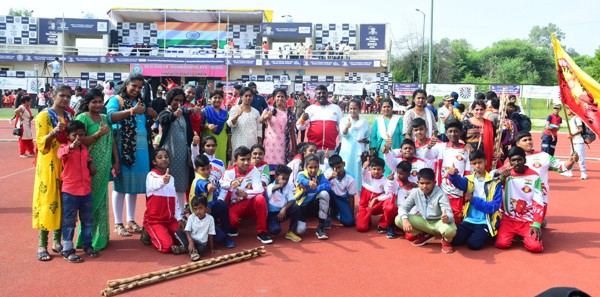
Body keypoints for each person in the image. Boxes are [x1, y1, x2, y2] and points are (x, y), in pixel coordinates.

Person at [107, 75, 152, 237]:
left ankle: (131, 220)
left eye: (140, 87)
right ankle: (118, 223)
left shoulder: (140, 102)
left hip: (141, 150)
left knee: (134, 187)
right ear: (126, 84)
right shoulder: (116, 100)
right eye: (134, 86)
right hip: (122, 149)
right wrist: (131, 111)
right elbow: (109, 117)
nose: (137, 90)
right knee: (121, 185)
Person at [33, 84, 72, 261]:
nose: (65, 99)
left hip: (66, 164)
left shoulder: (69, 116)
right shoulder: (44, 116)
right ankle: (42, 244)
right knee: (48, 201)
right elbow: (41, 144)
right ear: (53, 96)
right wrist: (54, 132)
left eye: (68, 96)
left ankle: (57, 242)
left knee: (63, 202)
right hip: (49, 163)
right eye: (62, 95)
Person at [74, 88, 115, 251]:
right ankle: (86, 239)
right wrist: (98, 134)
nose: (97, 105)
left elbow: (111, 141)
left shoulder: (105, 118)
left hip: (104, 166)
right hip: (88, 167)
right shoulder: (82, 118)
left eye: (100, 101)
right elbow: (78, 141)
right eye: (94, 102)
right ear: (87, 103)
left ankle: (101, 237)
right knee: (89, 203)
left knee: (102, 201)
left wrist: (116, 162)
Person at [514, 131, 577, 227]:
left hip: (539, 199)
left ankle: (539, 218)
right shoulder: (513, 159)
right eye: (525, 140)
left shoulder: (544, 156)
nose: (528, 142)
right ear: (518, 144)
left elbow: (563, 167)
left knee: (532, 228)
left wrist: (571, 160)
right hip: (520, 199)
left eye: (530, 139)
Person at [58, 120, 98, 262]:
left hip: (86, 190)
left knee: (87, 220)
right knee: (69, 222)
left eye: (81, 135)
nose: (78, 138)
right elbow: (61, 155)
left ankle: (88, 246)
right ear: (68, 136)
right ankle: (67, 249)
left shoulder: (84, 149)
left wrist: (91, 163)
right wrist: (71, 147)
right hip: (70, 191)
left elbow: (88, 159)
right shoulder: (64, 147)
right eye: (74, 135)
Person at [447, 150, 502, 250]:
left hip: (485, 221)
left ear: (485, 162)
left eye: (480, 162)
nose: (477, 166)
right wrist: (452, 175)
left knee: (473, 245)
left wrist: (473, 200)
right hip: (469, 220)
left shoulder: (495, 182)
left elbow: (493, 206)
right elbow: (459, 183)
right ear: (471, 165)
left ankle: (486, 234)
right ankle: (474, 234)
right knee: (455, 241)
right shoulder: (468, 179)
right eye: (474, 163)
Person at [495, 147, 544, 253]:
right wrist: (500, 177)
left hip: (528, 220)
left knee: (535, 248)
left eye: (519, 159)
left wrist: (536, 223)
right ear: (509, 161)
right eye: (513, 160)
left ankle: (526, 234)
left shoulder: (534, 176)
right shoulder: (506, 174)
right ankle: (516, 234)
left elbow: (538, 201)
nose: (517, 163)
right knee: (501, 244)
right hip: (509, 219)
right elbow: (490, 180)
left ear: (525, 160)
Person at [396, 168, 457, 253]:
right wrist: (405, 220)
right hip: (424, 222)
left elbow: (449, 213)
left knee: (450, 230)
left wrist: (447, 218)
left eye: (428, 183)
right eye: (422, 183)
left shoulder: (441, 194)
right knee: (399, 219)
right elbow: (403, 207)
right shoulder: (415, 192)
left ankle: (446, 241)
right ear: (418, 183)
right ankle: (425, 235)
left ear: (434, 183)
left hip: (439, 222)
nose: (424, 186)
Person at [220, 146, 272, 244]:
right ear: (235, 161)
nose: (246, 163)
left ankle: (262, 232)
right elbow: (222, 183)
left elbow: (259, 189)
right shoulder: (229, 171)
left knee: (260, 198)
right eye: (243, 159)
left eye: (248, 159)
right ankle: (233, 226)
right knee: (232, 222)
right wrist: (231, 184)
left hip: (249, 202)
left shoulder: (253, 170)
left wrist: (245, 194)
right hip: (234, 204)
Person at [422, 120, 471, 223]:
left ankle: (453, 236)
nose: (453, 134)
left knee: (456, 215)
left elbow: (468, 172)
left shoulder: (466, 151)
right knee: (441, 213)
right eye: (450, 131)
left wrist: (467, 190)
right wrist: (429, 146)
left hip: (457, 190)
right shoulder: (441, 147)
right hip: (442, 188)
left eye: (456, 131)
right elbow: (427, 155)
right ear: (446, 133)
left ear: (461, 132)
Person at [142, 149, 187, 254]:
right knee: (167, 246)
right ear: (154, 162)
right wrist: (163, 180)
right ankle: (149, 232)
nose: (164, 159)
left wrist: (179, 218)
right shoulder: (151, 176)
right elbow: (155, 184)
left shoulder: (171, 178)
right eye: (160, 157)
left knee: (184, 240)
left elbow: (175, 200)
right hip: (155, 220)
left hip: (170, 220)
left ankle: (165, 233)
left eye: (166, 157)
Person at [158, 88, 193, 216]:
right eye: (175, 100)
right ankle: (168, 212)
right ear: (170, 100)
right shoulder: (165, 113)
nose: (178, 103)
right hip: (169, 154)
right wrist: (174, 115)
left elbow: (188, 134)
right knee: (168, 183)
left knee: (182, 183)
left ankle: (180, 213)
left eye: (181, 100)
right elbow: (164, 121)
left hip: (183, 154)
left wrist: (191, 152)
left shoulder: (185, 115)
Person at [189, 154, 235, 249]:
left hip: (207, 209)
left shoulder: (209, 178)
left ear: (210, 167)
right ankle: (222, 237)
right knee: (218, 237)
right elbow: (203, 185)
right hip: (198, 214)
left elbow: (213, 198)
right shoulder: (199, 180)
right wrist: (208, 187)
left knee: (222, 205)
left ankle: (225, 233)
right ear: (196, 170)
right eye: (203, 169)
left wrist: (209, 206)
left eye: (207, 168)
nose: (206, 172)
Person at [355, 158, 397, 238]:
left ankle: (383, 224)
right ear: (370, 169)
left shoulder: (385, 180)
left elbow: (389, 194)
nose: (376, 171)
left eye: (379, 169)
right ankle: (365, 218)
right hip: (365, 207)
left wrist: (376, 199)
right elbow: (364, 173)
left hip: (377, 205)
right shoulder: (367, 176)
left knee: (390, 204)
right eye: (374, 169)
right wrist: (364, 168)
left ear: (383, 171)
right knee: (361, 228)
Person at [296, 85, 342, 154]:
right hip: (313, 150)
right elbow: (300, 127)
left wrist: (341, 142)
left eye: (324, 93)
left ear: (327, 94)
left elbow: (341, 127)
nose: (321, 95)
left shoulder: (336, 108)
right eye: (319, 93)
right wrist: (302, 119)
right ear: (315, 95)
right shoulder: (310, 109)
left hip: (330, 149)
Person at [295, 154, 331, 239]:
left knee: (324, 194)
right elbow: (301, 180)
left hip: (314, 204)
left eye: (315, 167)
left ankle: (321, 227)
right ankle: (302, 221)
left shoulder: (320, 174)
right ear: (306, 167)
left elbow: (328, 186)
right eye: (310, 167)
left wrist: (316, 188)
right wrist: (309, 183)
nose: (313, 170)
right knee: (300, 230)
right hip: (302, 206)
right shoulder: (301, 174)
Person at [338, 99, 370, 192]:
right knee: (346, 172)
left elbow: (368, 138)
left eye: (355, 108)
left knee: (359, 174)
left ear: (359, 109)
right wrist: (347, 127)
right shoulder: (344, 120)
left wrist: (364, 140)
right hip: (347, 152)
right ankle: (344, 195)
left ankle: (360, 198)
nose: (352, 111)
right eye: (350, 108)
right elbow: (343, 135)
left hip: (359, 153)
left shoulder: (364, 122)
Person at [266, 165, 303, 242]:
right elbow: (273, 189)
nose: (285, 181)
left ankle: (291, 232)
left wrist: (284, 208)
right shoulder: (270, 186)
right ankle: (269, 228)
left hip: (283, 212)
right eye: (283, 178)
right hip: (272, 215)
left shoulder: (288, 186)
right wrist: (279, 185)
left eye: (287, 178)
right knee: (275, 230)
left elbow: (292, 200)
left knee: (296, 207)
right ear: (276, 176)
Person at [261, 88, 297, 165]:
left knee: (283, 166)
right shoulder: (269, 109)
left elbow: (292, 131)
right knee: (269, 164)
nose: (280, 98)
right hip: (271, 143)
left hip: (284, 143)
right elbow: (260, 121)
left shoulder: (290, 113)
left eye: (282, 96)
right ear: (274, 98)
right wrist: (267, 116)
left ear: (285, 98)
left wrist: (294, 147)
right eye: (278, 96)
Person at [370, 98, 404, 175]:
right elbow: (373, 137)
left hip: (396, 150)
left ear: (392, 108)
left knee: (394, 172)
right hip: (381, 152)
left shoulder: (398, 120)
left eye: (388, 107)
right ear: (381, 108)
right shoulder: (378, 120)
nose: (386, 109)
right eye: (384, 107)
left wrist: (403, 148)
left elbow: (402, 135)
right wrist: (372, 149)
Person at [385, 161, 418, 239]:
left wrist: (417, 187)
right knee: (389, 208)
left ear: (408, 174)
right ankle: (391, 226)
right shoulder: (395, 182)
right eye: (398, 173)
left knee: (410, 237)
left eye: (402, 174)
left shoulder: (414, 184)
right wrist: (390, 181)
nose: (399, 175)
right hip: (397, 208)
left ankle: (410, 228)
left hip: (410, 211)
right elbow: (390, 189)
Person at [184, 195, 221, 261]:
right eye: (195, 209)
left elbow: (211, 234)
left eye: (200, 208)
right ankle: (192, 251)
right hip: (191, 240)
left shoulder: (210, 219)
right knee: (179, 232)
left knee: (203, 250)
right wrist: (190, 241)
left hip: (201, 243)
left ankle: (185, 249)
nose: (198, 211)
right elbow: (187, 230)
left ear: (206, 208)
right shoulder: (191, 217)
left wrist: (212, 248)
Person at [462, 100, 496, 171]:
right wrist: (465, 145)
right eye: (476, 110)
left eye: (481, 110)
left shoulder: (490, 124)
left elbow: (494, 139)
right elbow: (460, 139)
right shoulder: (466, 123)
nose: (479, 112)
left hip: (485, 155)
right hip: (470, 154)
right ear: (472, 110)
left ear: (484, 110)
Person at [324, 154, 357, 227]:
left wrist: (351, 215)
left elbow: (351, 197)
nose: (338, 170)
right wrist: (330, 178)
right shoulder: (328, 173)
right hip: (331, 196)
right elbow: (320, 186)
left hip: (343, 199)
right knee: (325, 191)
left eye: (339, 167)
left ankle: (336, 212)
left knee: (348, 222)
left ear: (343, 164)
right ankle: (326, 216)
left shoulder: (351, 178)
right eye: (335, 168)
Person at [228, 87, 262, 158]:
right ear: (241, 97)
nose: (248, 98)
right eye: (246, 96)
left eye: (250, 96)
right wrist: (237, 115)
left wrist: (259, 144)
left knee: (251, 164)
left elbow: (259, 129)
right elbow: (230, 124)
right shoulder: (235, 109)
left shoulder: (256, 112)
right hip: (238, 142)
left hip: (252, 143)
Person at [199, 90, 230, 163]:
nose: (217, 100)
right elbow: (199, 125)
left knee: (220, 165)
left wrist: (229, 148)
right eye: (215, 97)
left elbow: (229, 132)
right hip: (208, 144)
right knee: (206, 165)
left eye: (219, 98)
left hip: (222, 144)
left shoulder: (226, 114)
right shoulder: (204, 111)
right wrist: (207, 126)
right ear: (210, 99)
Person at [562, 107, 587, 180]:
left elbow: (580, 129)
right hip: (574, 141)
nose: (567, 111)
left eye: (568, 109)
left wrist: (572, 134)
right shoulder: (571, 120)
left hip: (579, 141)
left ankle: (583, 173)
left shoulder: (577, 119)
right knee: (572, 156)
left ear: (571, 110)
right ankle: (569, 171)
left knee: (580, 157)